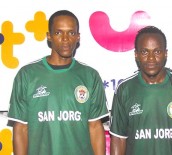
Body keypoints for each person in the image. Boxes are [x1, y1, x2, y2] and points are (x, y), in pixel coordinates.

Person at [7, 10, 109, 155]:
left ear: (78, 37)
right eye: (59, 33)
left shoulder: (90, 76)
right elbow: (21, 128)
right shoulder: (27, 75)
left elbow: (94, 127)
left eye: (71, 33)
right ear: (49, 36)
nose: (66, 39)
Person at [109, 26, 172, 155]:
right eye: (145, 52)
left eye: (157, 52)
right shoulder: (125, 90)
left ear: (166, 53)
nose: (151, 58)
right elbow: (118, 138)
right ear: (136, 55)